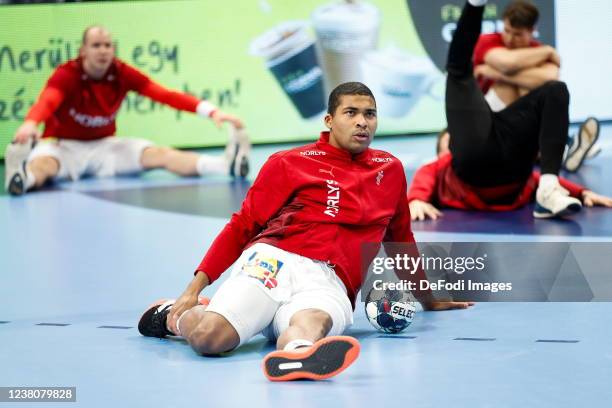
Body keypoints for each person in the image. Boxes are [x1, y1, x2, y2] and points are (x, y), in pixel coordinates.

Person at [138, 82, 473, 381]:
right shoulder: (289, 162)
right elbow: (242, 224)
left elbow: (401, 240)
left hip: (332, 282)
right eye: (351, 112)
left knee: (312, 323)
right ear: (329, 120)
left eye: (370, 114)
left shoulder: (391, 168)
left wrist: (429, 299)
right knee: (210, 339)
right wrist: (194, 287)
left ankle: (298, 355)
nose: (362, 122)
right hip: (275, 262)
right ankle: (172, 317)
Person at [4, 25, 249, 196]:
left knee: (159, 154)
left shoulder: (121, 73)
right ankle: (23, 179)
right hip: (63, 146)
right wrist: (31, 122)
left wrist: (212, 111)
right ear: (83, 51)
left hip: (105, 147)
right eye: (96, 45)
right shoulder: (67, 74)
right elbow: (48, 100)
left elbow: (165, 95)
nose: (103, 50)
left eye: (108, 45)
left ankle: (226, 166)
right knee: (45, 165)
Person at [472, 0, 599, 171]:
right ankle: (564, 149)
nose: (509, 39)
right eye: (507, 30)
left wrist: (495, 73)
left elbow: (550, 77)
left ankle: (559, 150)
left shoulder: (539, 49)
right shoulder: (487, 41)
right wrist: (547, 53)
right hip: (485, 123)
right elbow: (508, 63)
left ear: (532, 30)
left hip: (520, 130)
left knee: (542, 89)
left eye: (517, 34)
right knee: (509, 85)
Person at [407, 128, 612, 221]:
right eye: (450, 148)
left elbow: (537, 179)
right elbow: (426, 173)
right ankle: (567, 150)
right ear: (442, 156)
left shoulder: (499, 172)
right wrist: (416, 199)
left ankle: (566, 149)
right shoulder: (439, 169)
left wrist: (582, 192)